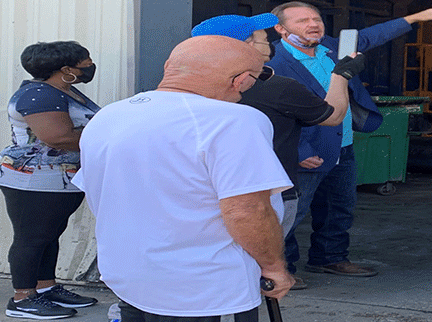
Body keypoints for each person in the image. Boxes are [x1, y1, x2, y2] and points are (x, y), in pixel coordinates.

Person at [72, 36, 295, 321]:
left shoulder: (109, 116)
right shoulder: (234, 120)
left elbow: (98, 190)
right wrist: (274, 266)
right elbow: (247, 210)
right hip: (205, 288)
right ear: (240, 80)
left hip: (130, 276)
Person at [268, 1, 432, 277]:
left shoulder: (332, 47)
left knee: (339, 208)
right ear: (281, 29)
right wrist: (300, 150)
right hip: (306, 150)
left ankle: (329, 257)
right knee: (291, 213)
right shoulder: (274, 61)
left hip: (343, 145)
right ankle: (282, 269)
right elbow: (274, 111)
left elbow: (371, 36)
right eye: (302, 21)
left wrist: (418, 16)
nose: (313, 24)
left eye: (316, 19)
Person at [190, 13, 365, 290]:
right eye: (261, 39)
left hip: (209, 190)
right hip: (271, 190)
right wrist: (342, 74)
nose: (269, 43)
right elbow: (332, 115)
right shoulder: (276, 87)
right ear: (243, 47)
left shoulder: (190, 87)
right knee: (256, 258)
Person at [0, 42, 100, 319]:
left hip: (61, 179)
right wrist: (108, 137)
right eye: (86, 61)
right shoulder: (38, 95)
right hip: (35, 179)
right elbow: (58, 137)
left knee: (49, 234)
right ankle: (22, 299)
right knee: (31, 238)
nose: (90, 65)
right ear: (66, 69)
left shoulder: (63, 90)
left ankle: (45, 288)